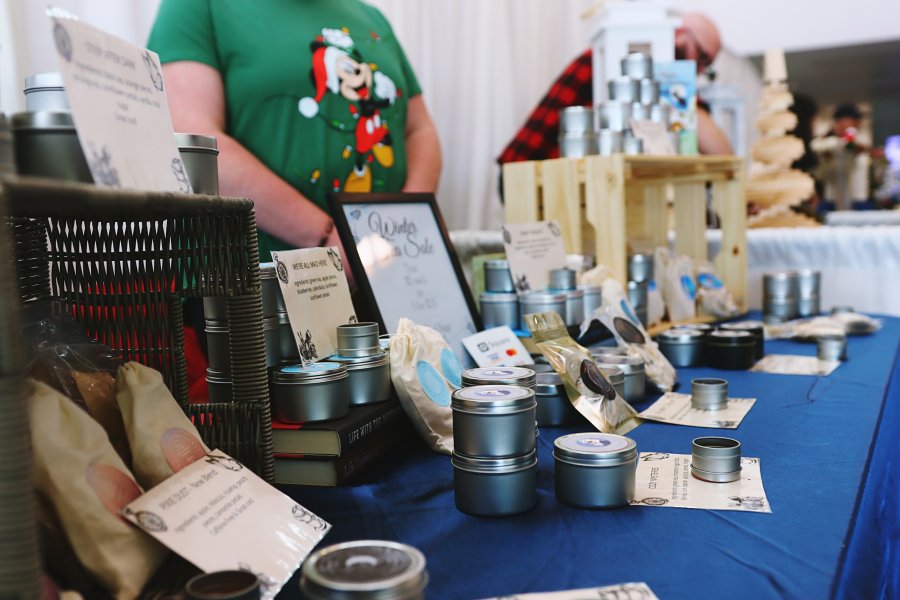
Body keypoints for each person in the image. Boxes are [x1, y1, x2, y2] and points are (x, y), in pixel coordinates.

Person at [147, 0, 442, 262]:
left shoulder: (371, 17)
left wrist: (408, 223)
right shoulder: (198, 5)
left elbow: (419, 129)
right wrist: (329, 238)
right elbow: (194, 140)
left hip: (390, 267)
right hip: (258, 282)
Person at [497, 11, 732, 166]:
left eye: (706, 65)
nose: (699, 69)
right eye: (701, 56)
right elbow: (714, 144)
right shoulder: (617, 64)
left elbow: (712, 142)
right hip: (526, 171)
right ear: (679, 34)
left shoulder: (663, 78)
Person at [812, 103, 871, 211]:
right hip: (832, 200)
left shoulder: (858, 142)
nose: (858, 123)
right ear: (840, 121)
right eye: (854, 120)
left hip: (860, 198)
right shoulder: (825, 143)